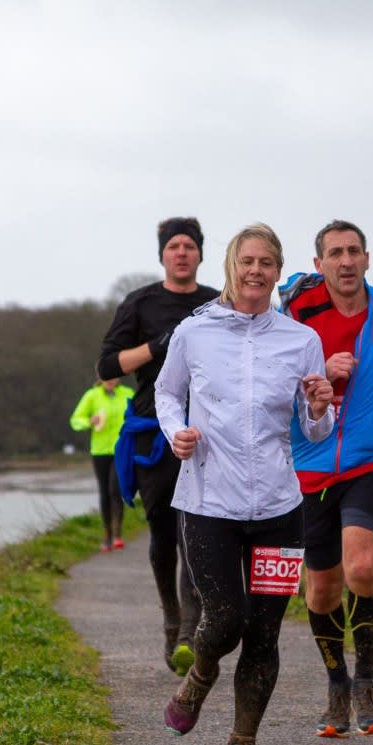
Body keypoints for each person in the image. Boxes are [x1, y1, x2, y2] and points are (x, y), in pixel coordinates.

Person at [156, 223, 335, 745]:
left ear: (278, 273)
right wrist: (175, 431)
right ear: (231, 268)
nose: (255, 271)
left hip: (281, 507)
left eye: (266, 262)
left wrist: (320, 405)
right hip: (209, 501)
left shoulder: (300, 340)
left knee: (264, 633)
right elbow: (166, 391)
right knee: (226, 621)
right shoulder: (195, 331)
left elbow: (317, 431)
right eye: (246, 261)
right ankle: (200, 676)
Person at [278, 219, 373, 739]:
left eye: (354, 251)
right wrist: (319, 369)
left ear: (367, 258)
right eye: (335, 254)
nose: (346, 261)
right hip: (312, 463)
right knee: (321, 591)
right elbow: (272, 374)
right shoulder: (297, 312)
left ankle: (366, 679)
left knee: (361, 568)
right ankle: (336, 685)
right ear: (318, 264)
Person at [98, 217, 218, 676]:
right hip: (153, 433)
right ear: (163, 255)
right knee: (164, 534)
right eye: (174, 247)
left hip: (207, 434)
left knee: (196, 532)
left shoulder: (215, 302)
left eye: (189, 246)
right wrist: (156, 346)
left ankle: (190, 631)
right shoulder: (140, 302)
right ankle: (172, 619)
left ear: (200, 254)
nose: (182, 253)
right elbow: (107, 365)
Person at [69, 376, 136, 551]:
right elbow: (76, 419)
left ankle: (117, 534)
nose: (110, 380)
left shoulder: (128, 394)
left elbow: (137, 416)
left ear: (119, 378)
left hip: (121, 450)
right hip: (99, 451)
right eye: (106, 376)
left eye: (113, 376)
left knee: (115, 489)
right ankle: (107, 535)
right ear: (100, 377)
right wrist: (89, 422)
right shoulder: (92, 395)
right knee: (104, 492)